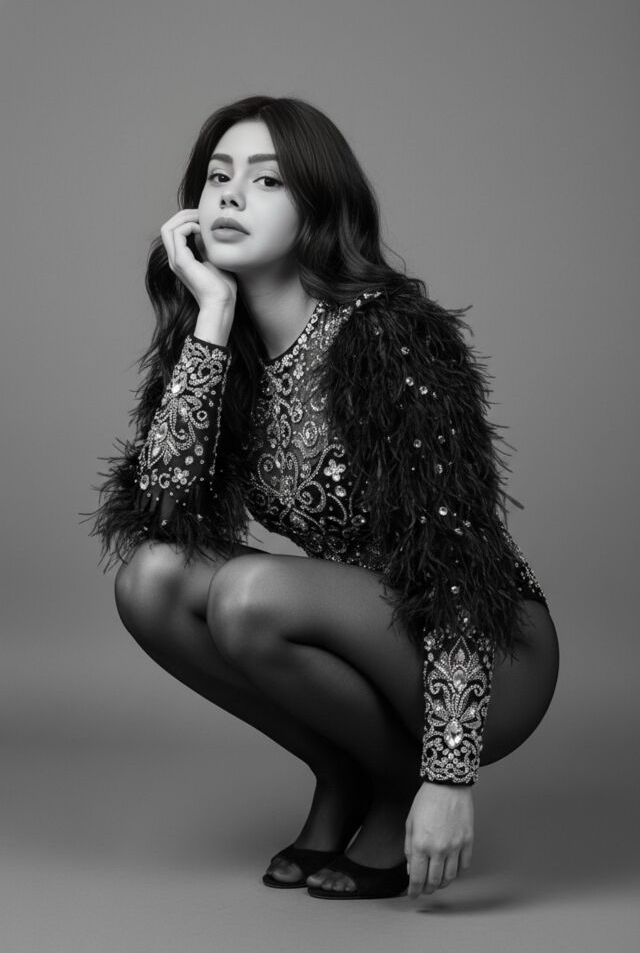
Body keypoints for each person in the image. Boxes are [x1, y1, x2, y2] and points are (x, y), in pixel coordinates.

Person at [82, 95, 559, 902]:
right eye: (218, 177)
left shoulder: (389, 335)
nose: (231, 196)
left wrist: (450, 778)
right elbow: (163, 514)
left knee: (249, 592)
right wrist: (211, 316)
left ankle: (398, 789)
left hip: (485, 646)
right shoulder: (223, 343)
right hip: (353, 622)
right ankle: (341, 773)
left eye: (266, 181)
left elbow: (456, 559)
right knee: (151, 580)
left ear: (318, 208)